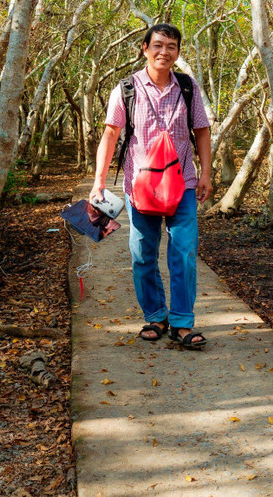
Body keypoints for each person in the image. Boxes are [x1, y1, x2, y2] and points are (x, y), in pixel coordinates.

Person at [90, 23, 213, 350]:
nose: (164, 51)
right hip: (139, 187)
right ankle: (156, 316)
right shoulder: (127, 89)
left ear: (177, 52)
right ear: (145, 48)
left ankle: (183, 323)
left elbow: (201, 130)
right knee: (142, 254)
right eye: (158, 45)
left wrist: (206, 174)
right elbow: (110, 134)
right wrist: (98, 181)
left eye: (171, 46)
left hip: (183, 186)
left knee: (183, 252)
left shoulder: (187, 87)